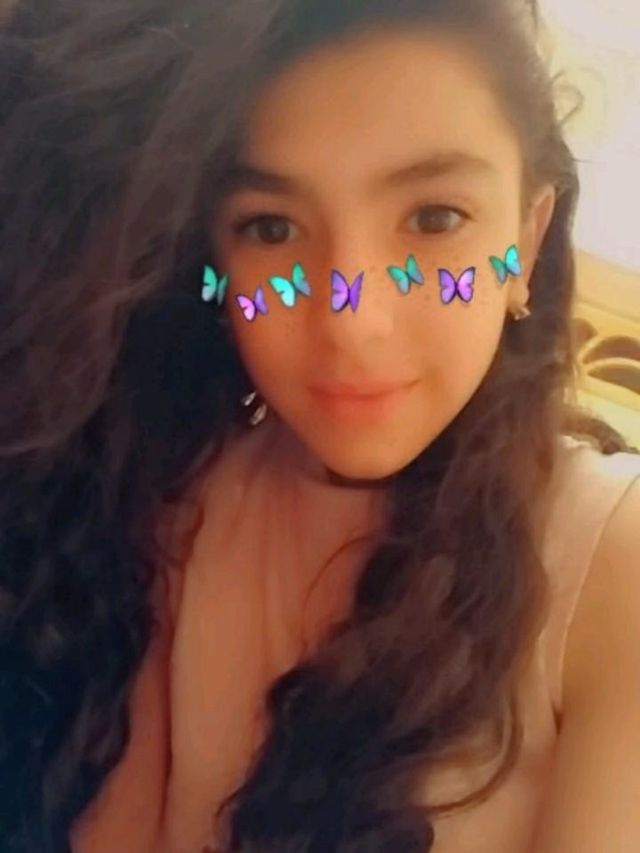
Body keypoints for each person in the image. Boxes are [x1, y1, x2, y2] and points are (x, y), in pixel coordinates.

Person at [1, 0, 639, 851]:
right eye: (272, 228)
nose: (351, 319)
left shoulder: (611, 571)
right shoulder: (189, 487)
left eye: (435, 218)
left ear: (525, 242)